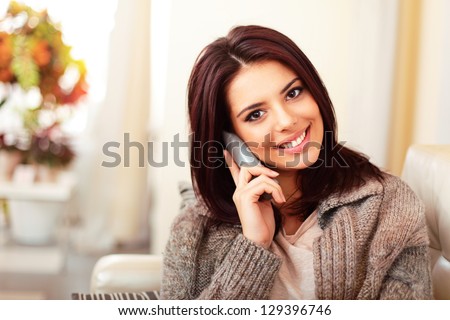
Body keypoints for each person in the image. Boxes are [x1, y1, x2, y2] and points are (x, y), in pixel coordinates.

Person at [160, 25, 432, 299]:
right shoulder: (194, 228)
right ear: (229, 138)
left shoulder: (389, 206)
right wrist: (254, 246)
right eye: (255, 114)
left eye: (293, 93)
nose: (287, 120)